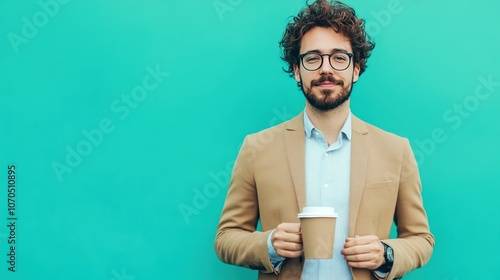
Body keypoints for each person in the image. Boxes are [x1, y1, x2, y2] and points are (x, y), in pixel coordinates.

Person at [214, 0, 434, 279]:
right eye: (313, 58)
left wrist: (385, 254)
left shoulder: (395, 150)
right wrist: (268, 244)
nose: (326, 69)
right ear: (297, 70)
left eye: (339, 57)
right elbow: (226, 238)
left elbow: (421, 239)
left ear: (356, 69)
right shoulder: (257, 148)